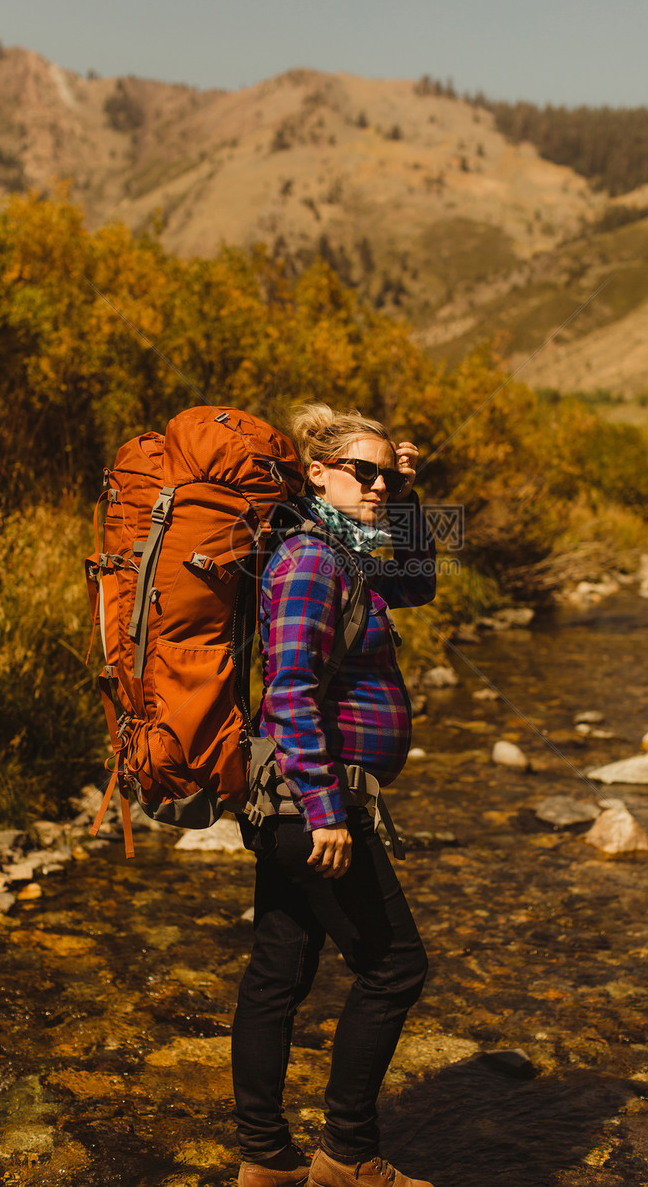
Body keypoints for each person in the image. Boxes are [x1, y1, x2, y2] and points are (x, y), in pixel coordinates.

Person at [232, 403, 438, 1187]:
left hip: (291, 802)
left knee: (278, 972)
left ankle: (266, 1162)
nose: (378, 484)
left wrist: (409, 500)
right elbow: (289, 689)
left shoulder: (349, 551)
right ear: (316, 473)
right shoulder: (314, 559)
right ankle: (346, 1157)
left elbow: (418, 583)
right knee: (396, 970)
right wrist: (325, 811)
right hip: (312, 803)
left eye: (387, 472)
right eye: (365, 471)